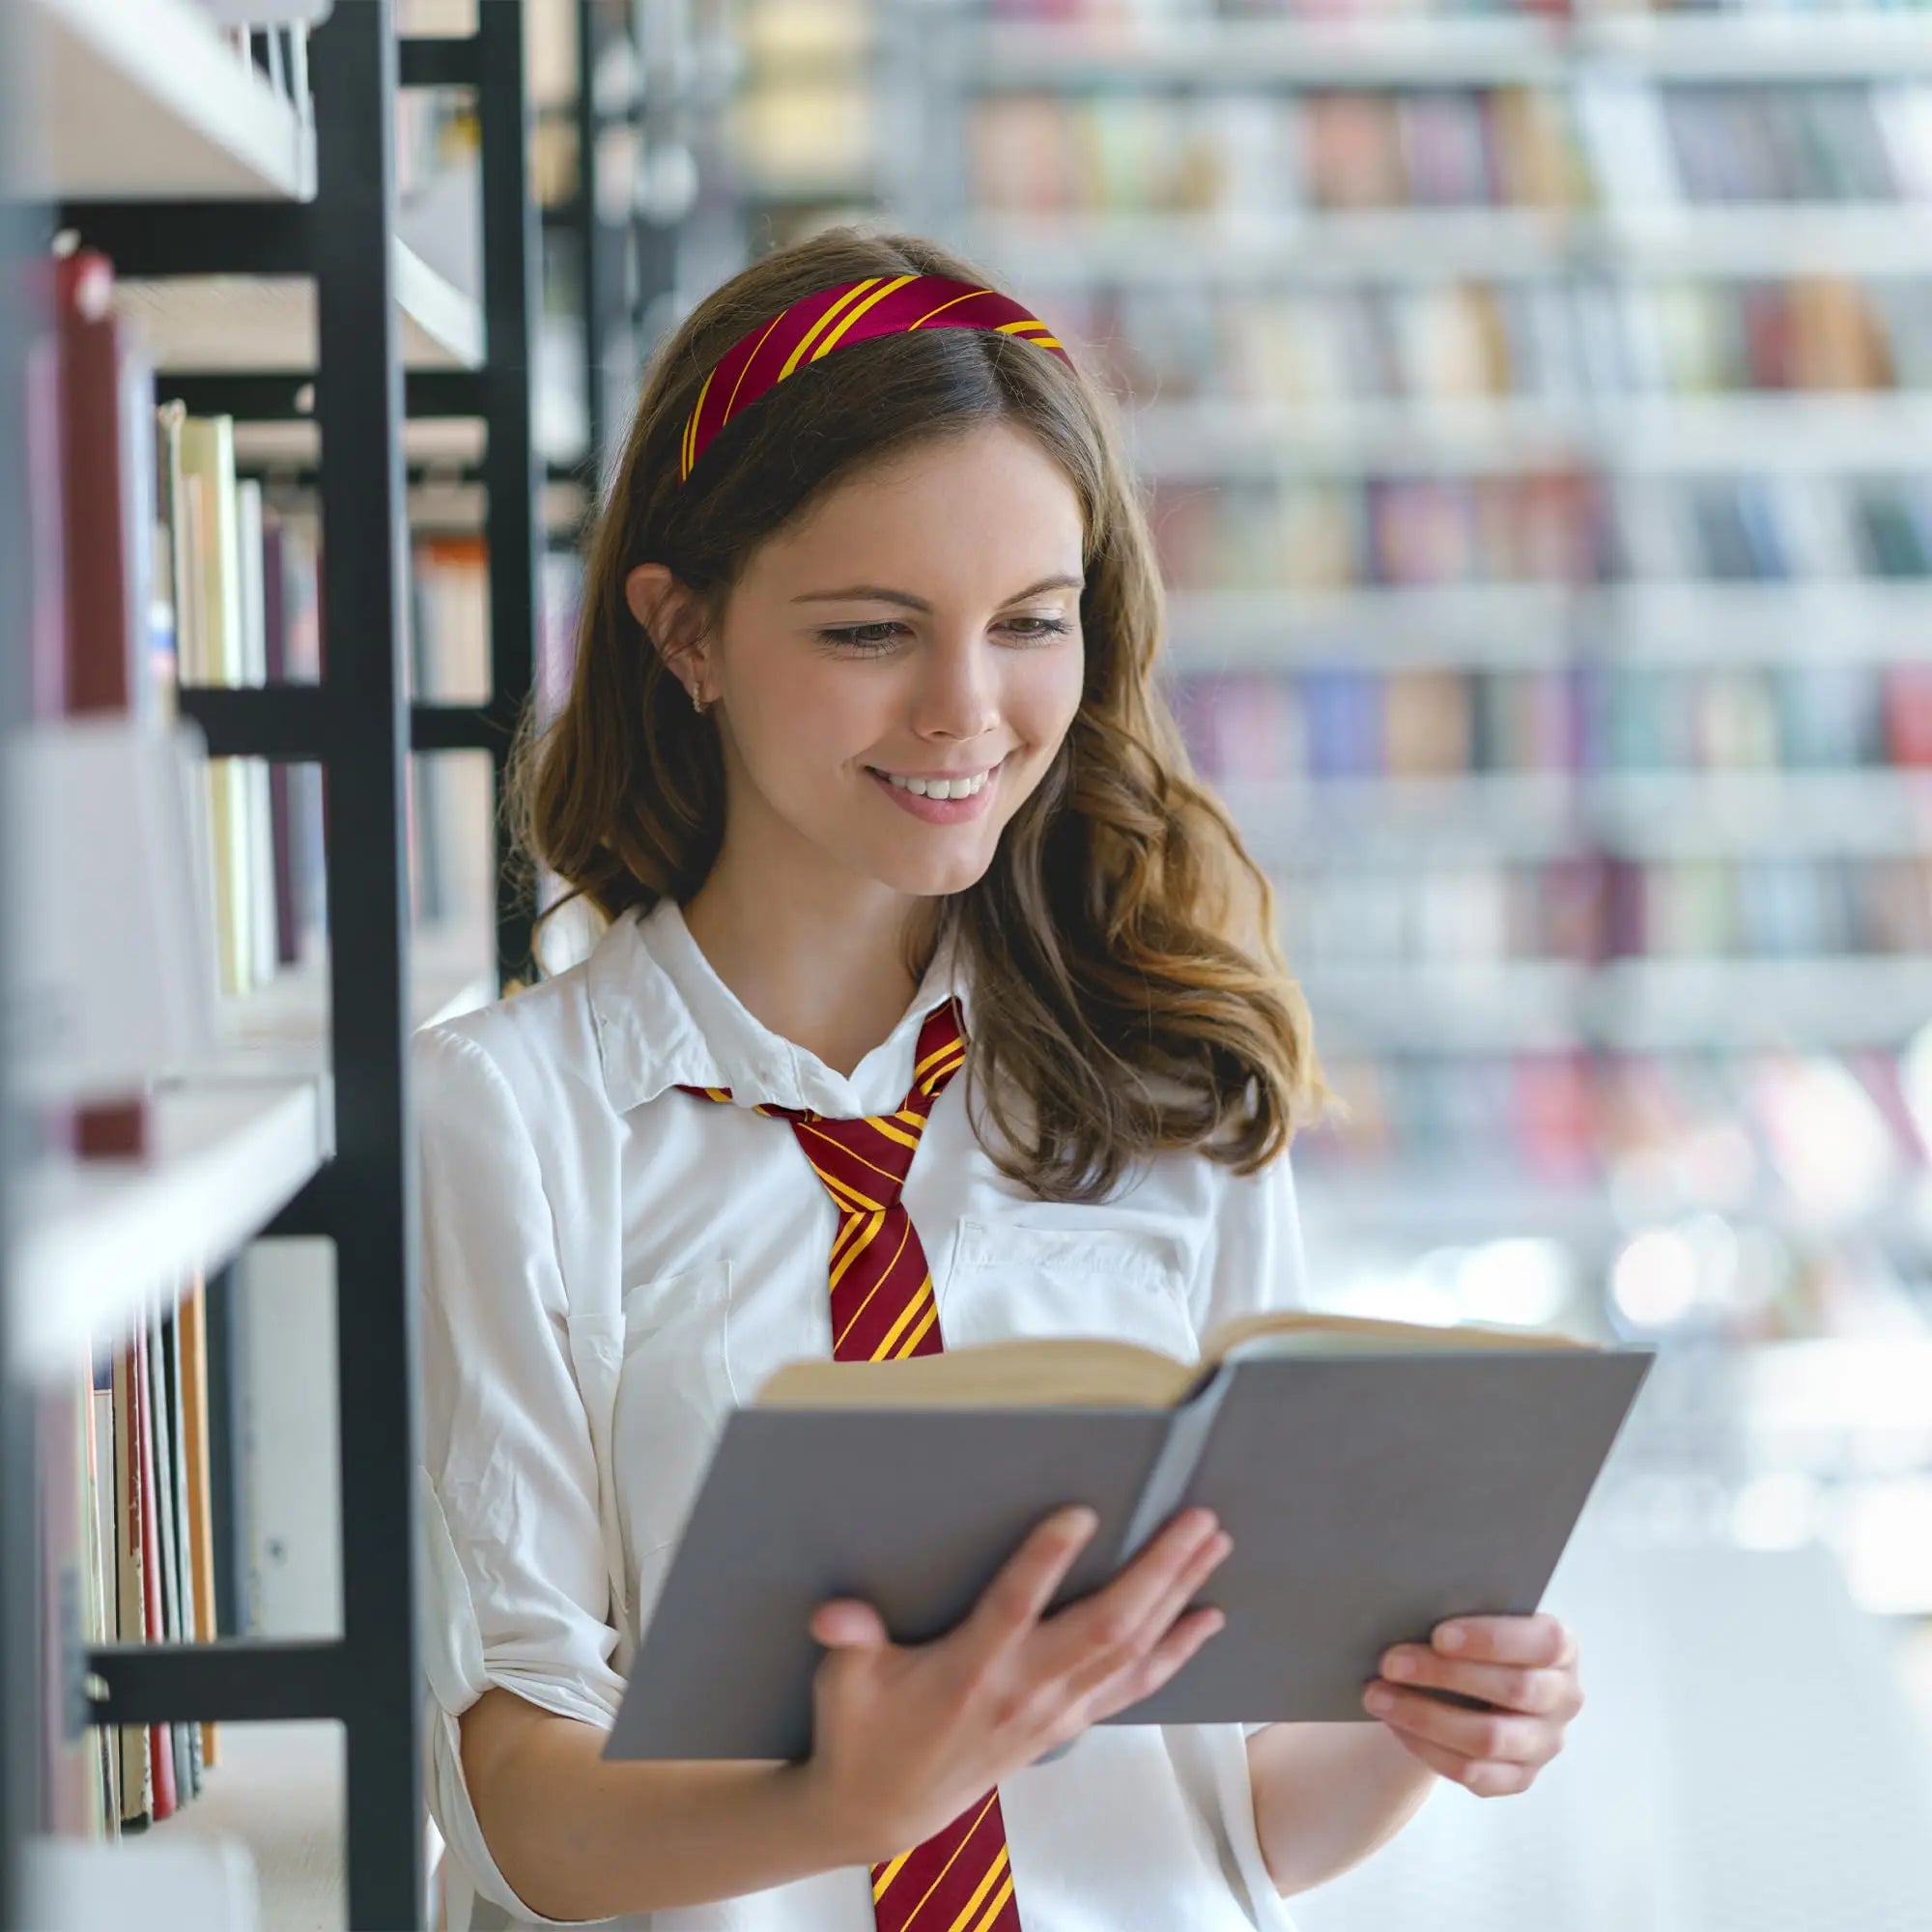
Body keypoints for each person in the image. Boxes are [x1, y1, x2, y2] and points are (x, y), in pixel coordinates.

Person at [412, 229, 1586, 1932]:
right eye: (873, 630)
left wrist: (1429, 1722)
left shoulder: (1171, 1089)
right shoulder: (509, 1121)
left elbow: (1238, 1815)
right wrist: (846, 1800)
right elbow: (521, 1808)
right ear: (685, 632)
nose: (968, 711)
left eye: (1032, 623)